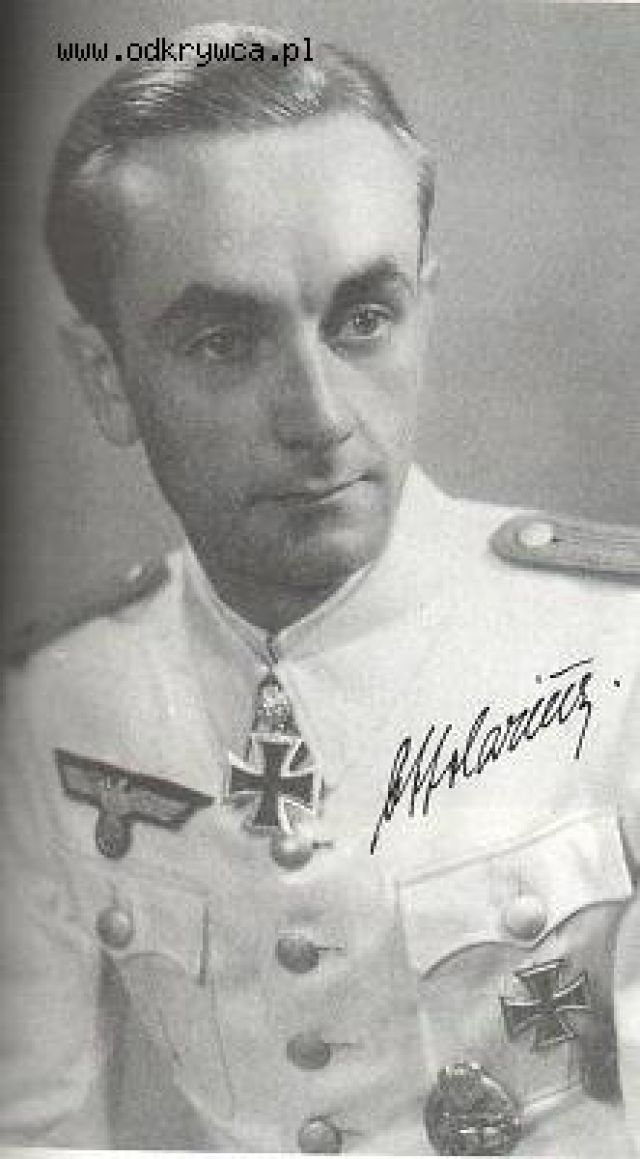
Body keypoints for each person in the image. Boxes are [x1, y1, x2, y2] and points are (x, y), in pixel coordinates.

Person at [1, 21, 639, 1156]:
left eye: (363, 319)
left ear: (423, 309)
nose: (320, 415)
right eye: (221, 341)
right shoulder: (57, 700)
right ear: (106, 379)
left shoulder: (616, 646)